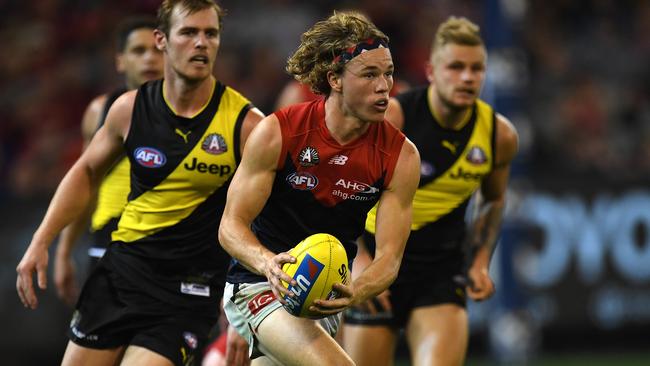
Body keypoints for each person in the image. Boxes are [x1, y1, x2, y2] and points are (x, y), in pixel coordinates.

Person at [15, 1, 264, 365]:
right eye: (189, 32)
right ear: (163, 40)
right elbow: (86, 173)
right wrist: (43, 241)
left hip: (187, 293)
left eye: (210, 34)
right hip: (121, 275)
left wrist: (245, 301)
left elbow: (266, 215)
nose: (201, 43)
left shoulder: (247, 124)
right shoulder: (128, 110)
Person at [218, 10, 420, 366]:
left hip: (322, 298)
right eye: (369, 74)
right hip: (260, 285)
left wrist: (356, 290)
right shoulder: (279, 132)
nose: (384, 86)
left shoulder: (400, 156)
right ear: (336, 79)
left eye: (388, 73)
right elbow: (230, 227)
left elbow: (389, 259)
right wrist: (268, 264)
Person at [343, 16, 519, 366]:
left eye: (476, 69)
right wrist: (359, 261)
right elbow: (346, 192)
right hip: (378, 267)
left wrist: (481, 262)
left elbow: (494, 199)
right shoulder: (395, 117)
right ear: (431, 72)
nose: (467, 77)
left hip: (441, 272)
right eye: (455, 67)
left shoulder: (499, 135)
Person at [53, 15, 164, 307]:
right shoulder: (100, 111)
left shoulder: (194, 116)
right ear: (120, 60)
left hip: (167, 245)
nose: (150, 59)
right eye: (138, 51)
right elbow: (86, 182)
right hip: (108, 242)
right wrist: (64, 252)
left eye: (157, 50)